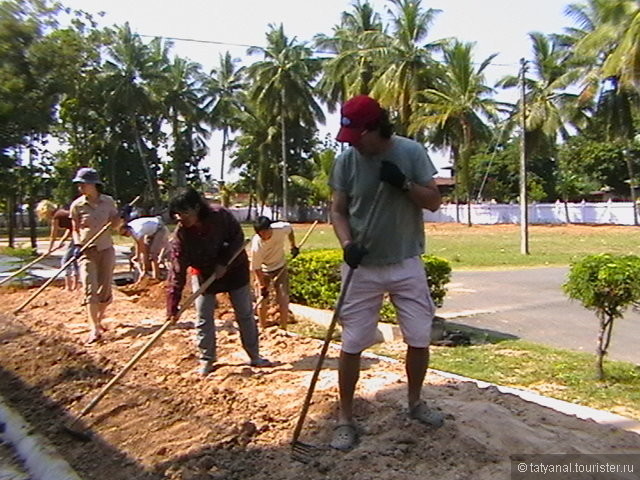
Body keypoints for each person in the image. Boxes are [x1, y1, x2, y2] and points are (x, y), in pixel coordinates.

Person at [328, 95, 444, 450]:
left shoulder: (411, 153)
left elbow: (434, 202)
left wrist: (405, 184)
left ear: (377, 127)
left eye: (358, 136)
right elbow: (338, 211)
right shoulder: (346, 162)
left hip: (406, 261)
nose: (354, 145)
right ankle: (345, 419)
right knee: (351, 344)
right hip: (362, 266)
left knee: (419, 337)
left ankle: (415, 403)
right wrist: (347, 245)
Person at [166, 187, 272, 376]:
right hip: (204, 274)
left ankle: (255, 356)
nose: (181, 218)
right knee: (203, 317)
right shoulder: (181, 237)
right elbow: (177, 272)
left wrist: (224, 262)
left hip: (234, 269)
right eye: (177, 214)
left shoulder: (220, 216)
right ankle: (207, 359)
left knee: (245, 314)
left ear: (197, 207)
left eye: (185, 212)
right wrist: (172, 306)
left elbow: (238, 239)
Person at [69, 167, 121, 344]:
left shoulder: (108, 202)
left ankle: (98, 319)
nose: (80, 187)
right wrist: (77, 244)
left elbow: (115, 225)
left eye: (83, 184)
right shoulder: (77, 206)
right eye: (79, 184)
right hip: (87, 251)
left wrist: (120, 218)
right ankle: (93, 329)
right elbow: (75, 229)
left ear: (94, 184)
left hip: (106, 249)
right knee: (90, 290)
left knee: (105, 291)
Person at [250, 216, 299, 330]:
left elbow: (290, 230)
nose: (264, 236)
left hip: (280, 267)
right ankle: (262, 327)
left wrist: (293, 246)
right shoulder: (257, 245)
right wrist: (262, 285)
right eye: (260, 234)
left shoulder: (280, 228)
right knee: (262, 300)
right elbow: (256, 268)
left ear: (269, 228)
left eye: (265, 232)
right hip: (263, 270)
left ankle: (283, 328)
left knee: (283, 298)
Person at [35, 200, 80, 291]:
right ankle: (75, 286)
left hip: (79, 236)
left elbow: (53, 234)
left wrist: (49, 250)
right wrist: (62, 240)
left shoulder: (56, 216)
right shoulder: (61, 213)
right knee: (74, 260)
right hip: (80, 234)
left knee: (65, 261)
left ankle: (69, 287)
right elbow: (70, 228)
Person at [119, 216, 170, 281]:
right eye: (124, 235)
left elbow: (143, 252)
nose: (127, 236)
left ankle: (156, 277)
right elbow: (138, 244)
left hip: (160, 229)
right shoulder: (131, 228)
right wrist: (137, 256)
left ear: (128, 229)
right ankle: (146, 273)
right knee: (147, 249)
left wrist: (142, 265)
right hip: (150, 232)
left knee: (153, 253)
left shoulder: (137, 231)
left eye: (125, 233)